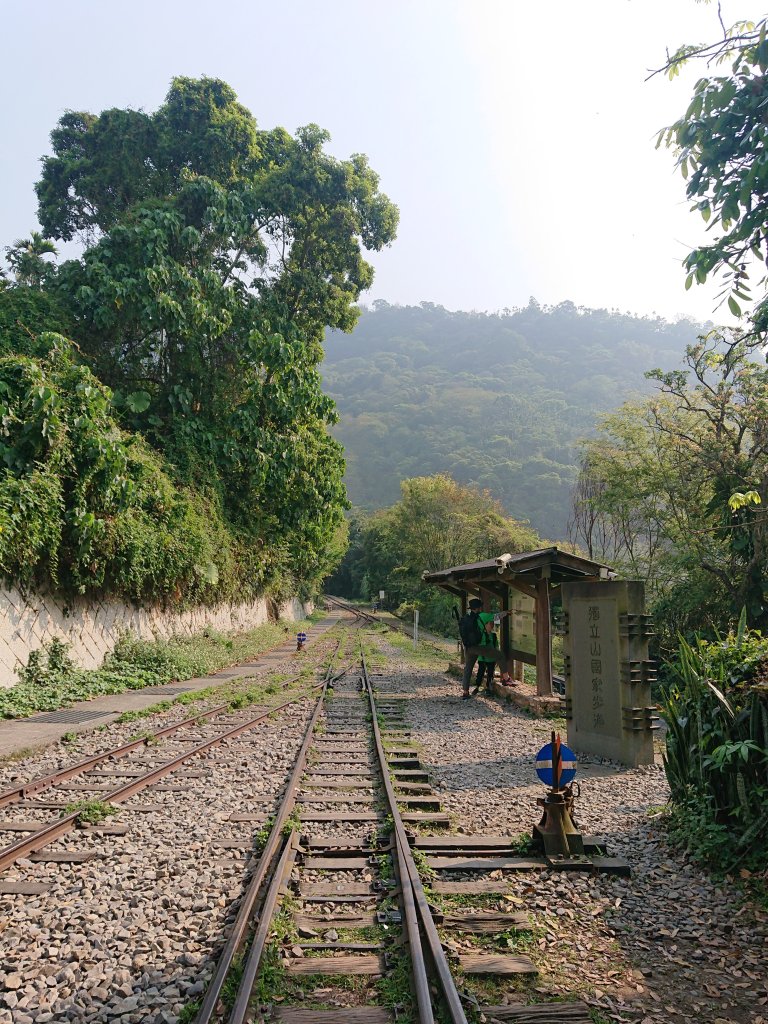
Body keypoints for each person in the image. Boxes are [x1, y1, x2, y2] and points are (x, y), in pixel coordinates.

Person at [459, 598, 516, 699]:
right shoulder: (482, 616)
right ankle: (506, 678)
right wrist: (506, 612)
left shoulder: (466, 617)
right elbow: (496, 616)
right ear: (479, 607)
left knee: (468, 668)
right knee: (500, 655)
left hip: (468, 647)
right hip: (479, 646)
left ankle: (465, 692)